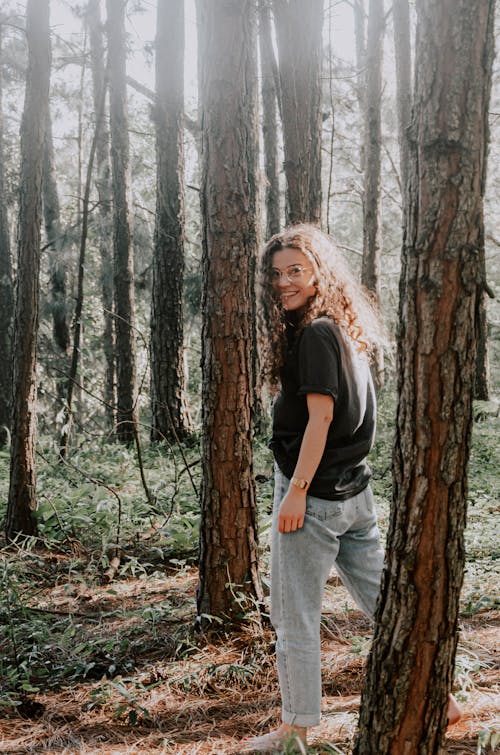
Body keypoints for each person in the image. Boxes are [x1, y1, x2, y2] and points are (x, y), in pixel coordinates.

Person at [240, 225, 461, 753]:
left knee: (293, 615)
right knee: (390, 603)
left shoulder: (316, 333)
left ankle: (296, 730)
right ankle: (441, 698)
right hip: (353, 495)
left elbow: (321, 420)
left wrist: (296, 491)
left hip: (313, 497)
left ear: (320, 272)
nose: (283, 282)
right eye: (276, 274)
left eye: (296, 270)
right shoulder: (341, 328)